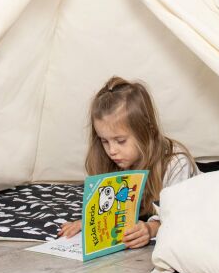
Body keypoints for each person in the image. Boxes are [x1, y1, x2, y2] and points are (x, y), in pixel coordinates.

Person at [57, 77, 198, 248]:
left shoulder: (176, 163)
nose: (112, 150)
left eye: (120, 141)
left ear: (147, 131)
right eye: (104, 141)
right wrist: (90, 222)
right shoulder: (111, 159)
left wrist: (151, 228)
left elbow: (179, 216)